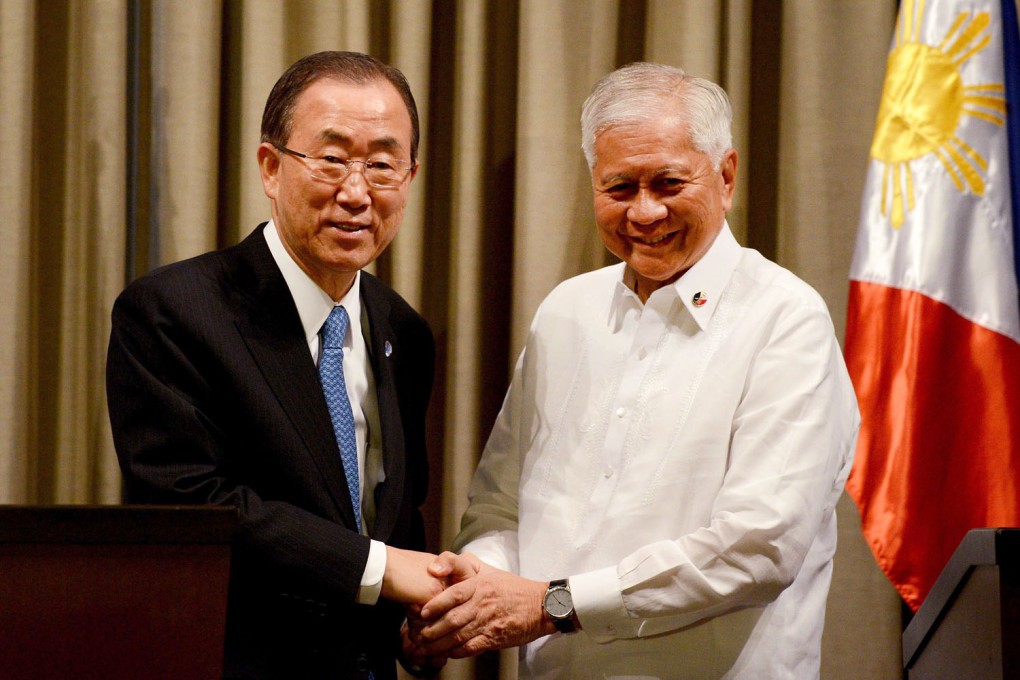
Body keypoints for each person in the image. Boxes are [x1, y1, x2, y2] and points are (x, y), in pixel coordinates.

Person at [408, 62, 860, 678]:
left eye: (668, 183)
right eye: (619, 188)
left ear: (726, 176)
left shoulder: (786, 320)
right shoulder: (564, 313)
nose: (644, 214)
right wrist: (466, 596)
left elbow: (758, 548)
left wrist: (551, 605)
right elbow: (499, 511)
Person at [107, 51, 446, 679]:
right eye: (333, 159)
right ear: (271, 167)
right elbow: (191, 504)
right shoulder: (172, 311)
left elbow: (393, 511)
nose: (356, 192)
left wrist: (410, 626)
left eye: (381, 165)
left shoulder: (404, 330)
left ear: (410, 176)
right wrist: (381, 570)